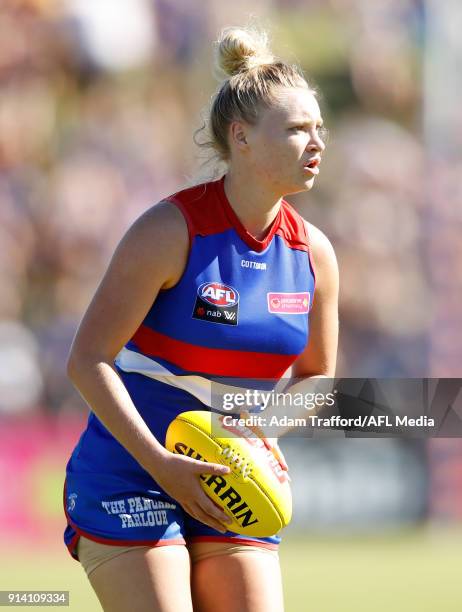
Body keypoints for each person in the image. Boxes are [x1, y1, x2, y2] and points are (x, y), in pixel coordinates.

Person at [63, 25, 338, 612]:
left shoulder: (314, 253)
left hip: (230, 480)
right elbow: (87, 360)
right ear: (240, 136)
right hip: (132, 469)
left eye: (319, 128)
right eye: (296, 130)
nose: (316, 143)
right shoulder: (169, 231)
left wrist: (258, 432)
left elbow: (318, 377)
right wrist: (162, 463)